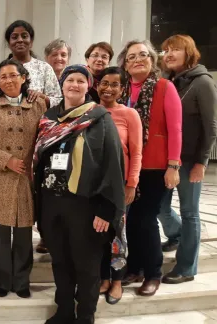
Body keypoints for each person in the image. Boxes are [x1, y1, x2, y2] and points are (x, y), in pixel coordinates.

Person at [33, 65, 125, 324]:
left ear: (88, 86)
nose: (74, 84)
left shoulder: (99, 117)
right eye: (69, 80)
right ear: (62, 84)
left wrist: (106, 209)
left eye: (80, 81)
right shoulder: (49, 117)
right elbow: (39, 160)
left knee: (86, 264)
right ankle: (63, 311)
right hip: (52, 201)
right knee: (60, 262)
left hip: (85, 204)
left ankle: (85, 315)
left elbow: (113, 163)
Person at [117, 40, 182, 297]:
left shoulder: (165, 87)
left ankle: (153, 273)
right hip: (130, 166)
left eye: (143, 55)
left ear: (152, 60)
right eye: (132, 57)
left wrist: (173, 165)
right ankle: (135, 268)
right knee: (131, 219)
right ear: (125, 63)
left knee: (145, 219)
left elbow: (176, 129)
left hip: (156, 165)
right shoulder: (123, 90)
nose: (138, 60)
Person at [0, 59, 46, 298]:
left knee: (23, 233)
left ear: (23, 77)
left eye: (12, 75)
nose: (8, 80)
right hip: (0, 175)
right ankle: (0, 279)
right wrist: (5, 160)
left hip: (28, 177)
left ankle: (21, 281)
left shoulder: (38, 104)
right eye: (3, 77)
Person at [158, 35, 217, 283]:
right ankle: (178, 234)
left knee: (190, 212)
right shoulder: (170, 81)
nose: (169, 54)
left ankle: (186, 268)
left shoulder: (202, 82)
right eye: (166, 50)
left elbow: (211, 126)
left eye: (175, 50)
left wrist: (201, 164)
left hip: (190, 159)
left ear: (189, 52)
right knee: (159, 206)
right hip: (168, 158)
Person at [97, 67, 143, 305]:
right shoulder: (91, 112)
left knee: (118, 237)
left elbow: (136, 153)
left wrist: (131, 184)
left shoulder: (129, 115)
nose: (109, 88)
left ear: (122, 89)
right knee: (98, 237)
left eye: (115, 84)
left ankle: (116, 281)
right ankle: (103, 277)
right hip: (95, 189)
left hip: (120, 187)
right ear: (97, 86)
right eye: (105, 83)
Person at [4, 20, 61, 108]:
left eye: (24, 36)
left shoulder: (44, 68)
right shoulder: (2, 69)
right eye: (14, 37)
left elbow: (58, 101)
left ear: (31, 42)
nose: (20, 40)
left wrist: (42, 97)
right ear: (9, 43)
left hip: (39, 120)